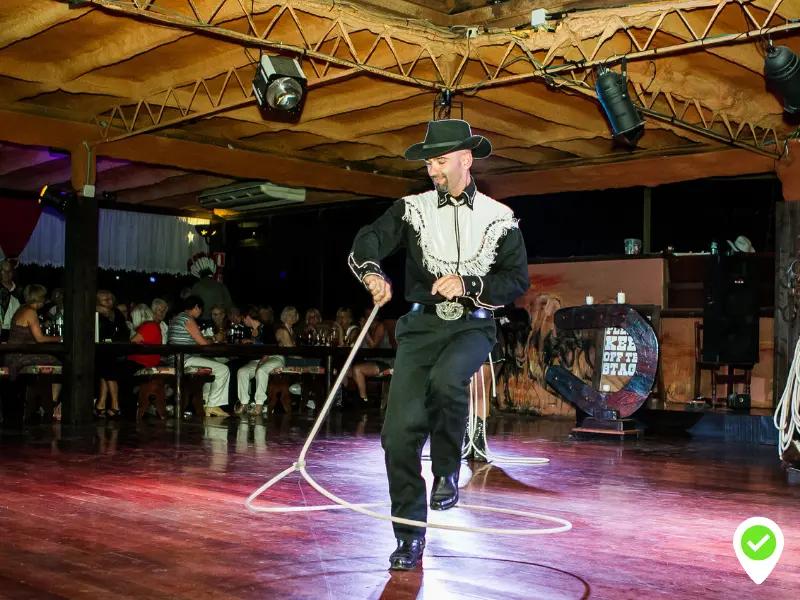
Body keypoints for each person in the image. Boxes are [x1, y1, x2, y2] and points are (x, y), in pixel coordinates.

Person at [348, 119, 529, 570]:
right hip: (420, 329)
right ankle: (409, 537)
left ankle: (448, 467)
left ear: (466, 160)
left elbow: (516, 280)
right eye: (429, 162)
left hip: (472, 326)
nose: (433, 170)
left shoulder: (499, 218)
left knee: (450, 381)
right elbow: (369, 238)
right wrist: (372, 272)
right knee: (396, 437)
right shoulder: (411, 209)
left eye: (441, 161)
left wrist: (470, 282)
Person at [4, 284, 63, 419]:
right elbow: (40, 339)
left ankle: (42, 402)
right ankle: (51, 402)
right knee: (59, 361)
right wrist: (61, 337)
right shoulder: (30, 312)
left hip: (15, 353)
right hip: (19, 356)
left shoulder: (21, 308)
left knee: (53, 359)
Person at [167, 295, 230, 417]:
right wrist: (213, 339)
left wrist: (208, 339)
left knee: (212, 367)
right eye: (200, 310)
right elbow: (204, 344)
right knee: (223, 369)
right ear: (196, 307)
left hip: (176, 359)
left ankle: (207, 402)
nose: (200, 313)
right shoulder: (188, 319)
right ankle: (212, 405)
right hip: (184, 359)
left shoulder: (177, 319)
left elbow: (194, 339)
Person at [235, 306, 299, 416]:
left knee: (261, 370)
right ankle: (244, 403)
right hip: (258, 359)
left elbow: (271, 346)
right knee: (242, 371)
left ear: (248, 317)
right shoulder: (247, 330)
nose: (242, 321)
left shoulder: (267, 328)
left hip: (274, 357)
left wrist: (262, 360)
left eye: (243, 319)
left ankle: (259, 404)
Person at [0, 259, 21, 342]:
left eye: (9, 271)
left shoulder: (20, 291)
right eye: (3, 271)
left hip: (16, 334)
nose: (6, 274)